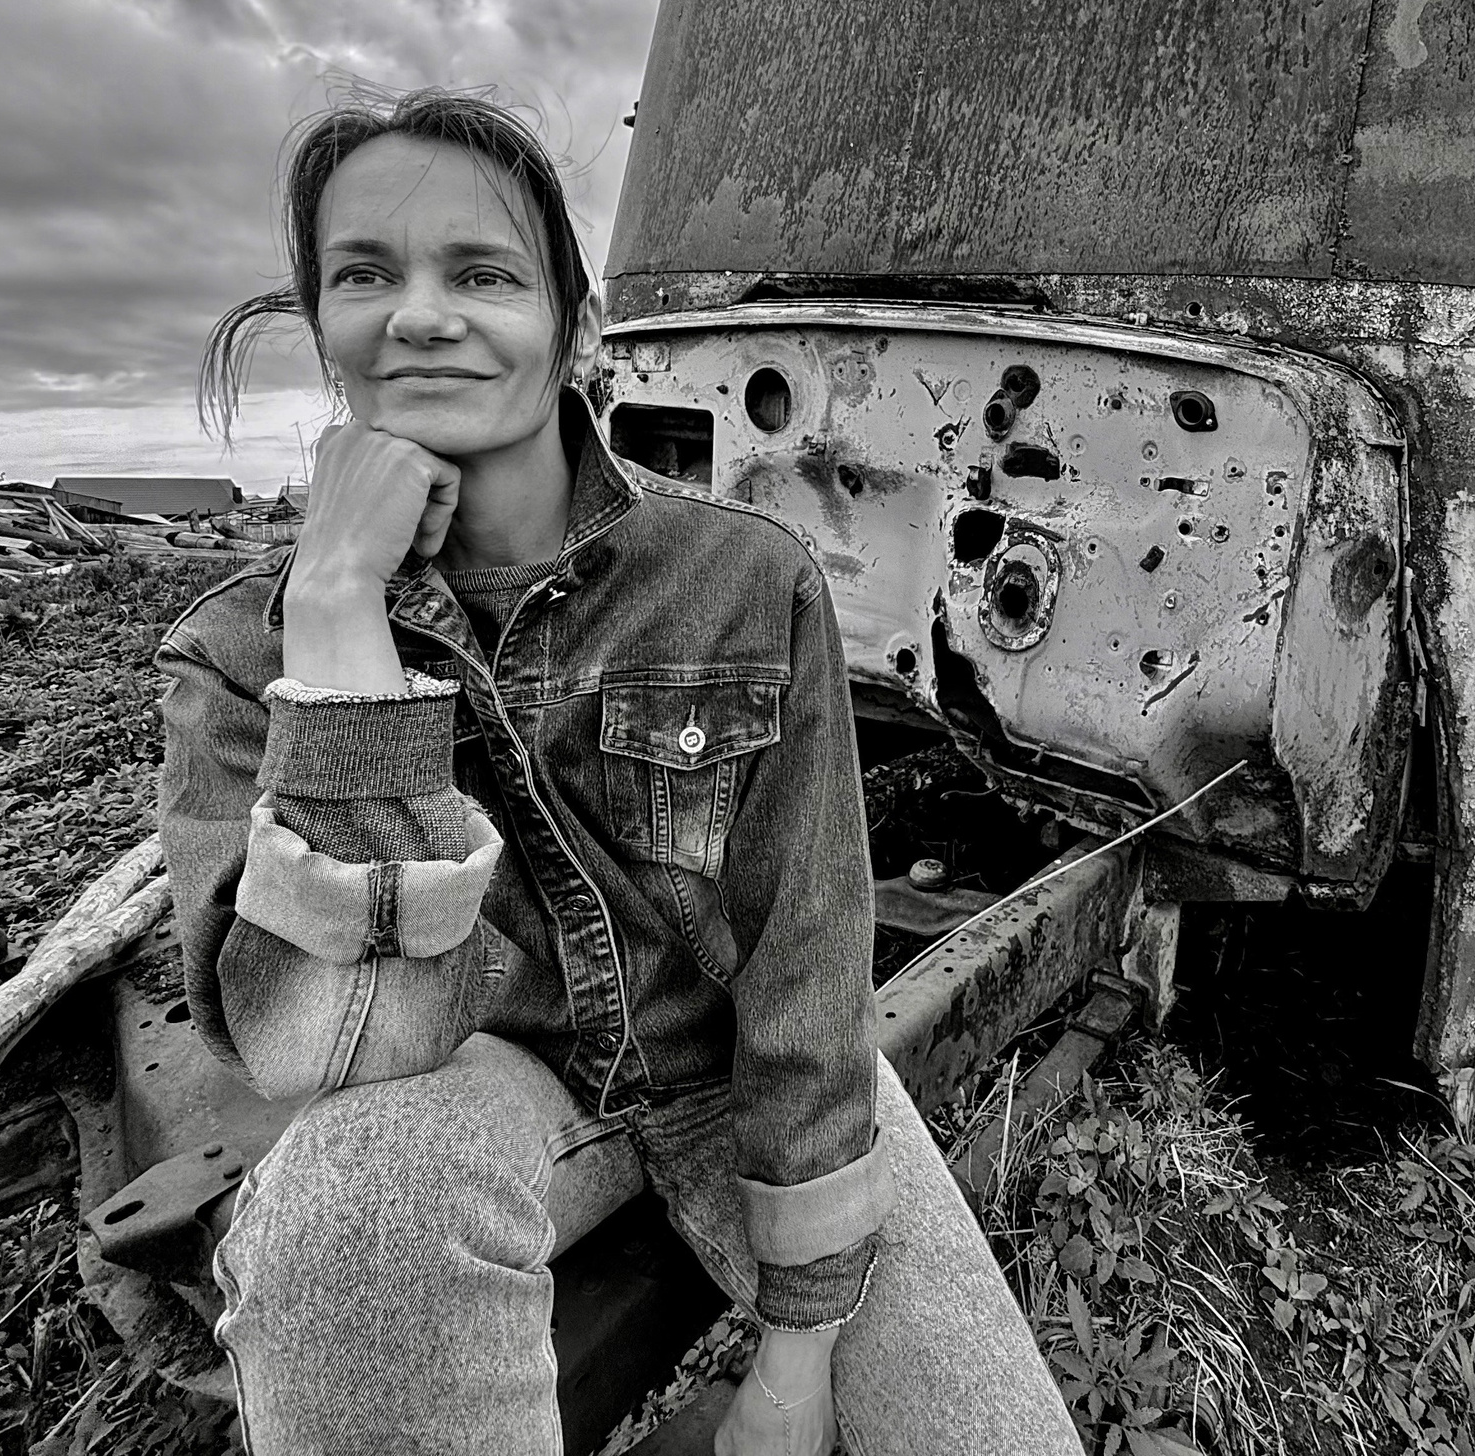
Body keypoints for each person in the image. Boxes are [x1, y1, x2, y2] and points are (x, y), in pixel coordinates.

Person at [156, 89, 1080, 1456]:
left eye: (481, 273)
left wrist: (798, 1358)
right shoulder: (241, 654)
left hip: (730, 1074)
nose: (419, 314)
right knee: (342, 1212)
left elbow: (806, 965)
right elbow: (329, 1051)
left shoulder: (739, 580)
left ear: (578, 327)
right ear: (321, 327)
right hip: (476, 1085)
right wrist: (342, 613)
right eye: (365, 275)